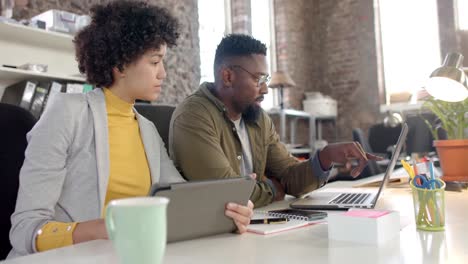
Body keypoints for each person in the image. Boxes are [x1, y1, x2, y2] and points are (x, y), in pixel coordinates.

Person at [8, 2, 252, 258]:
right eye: (154, 61)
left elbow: (180, 203)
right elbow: (26, 229)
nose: (163, 74)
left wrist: (227, 214)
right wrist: (101, 229)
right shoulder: (67, 114)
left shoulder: (146, 129)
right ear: (120, 65)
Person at [169, 34, 382, 207]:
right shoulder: (193, 116)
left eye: (266, 80)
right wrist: (272, 188)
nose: (265, 89)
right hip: (213, 237)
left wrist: (325, 158)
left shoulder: (258, 119)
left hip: (256, 223)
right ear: (228, 77)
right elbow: (226, 192)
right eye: (258, 79)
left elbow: (290, 176)